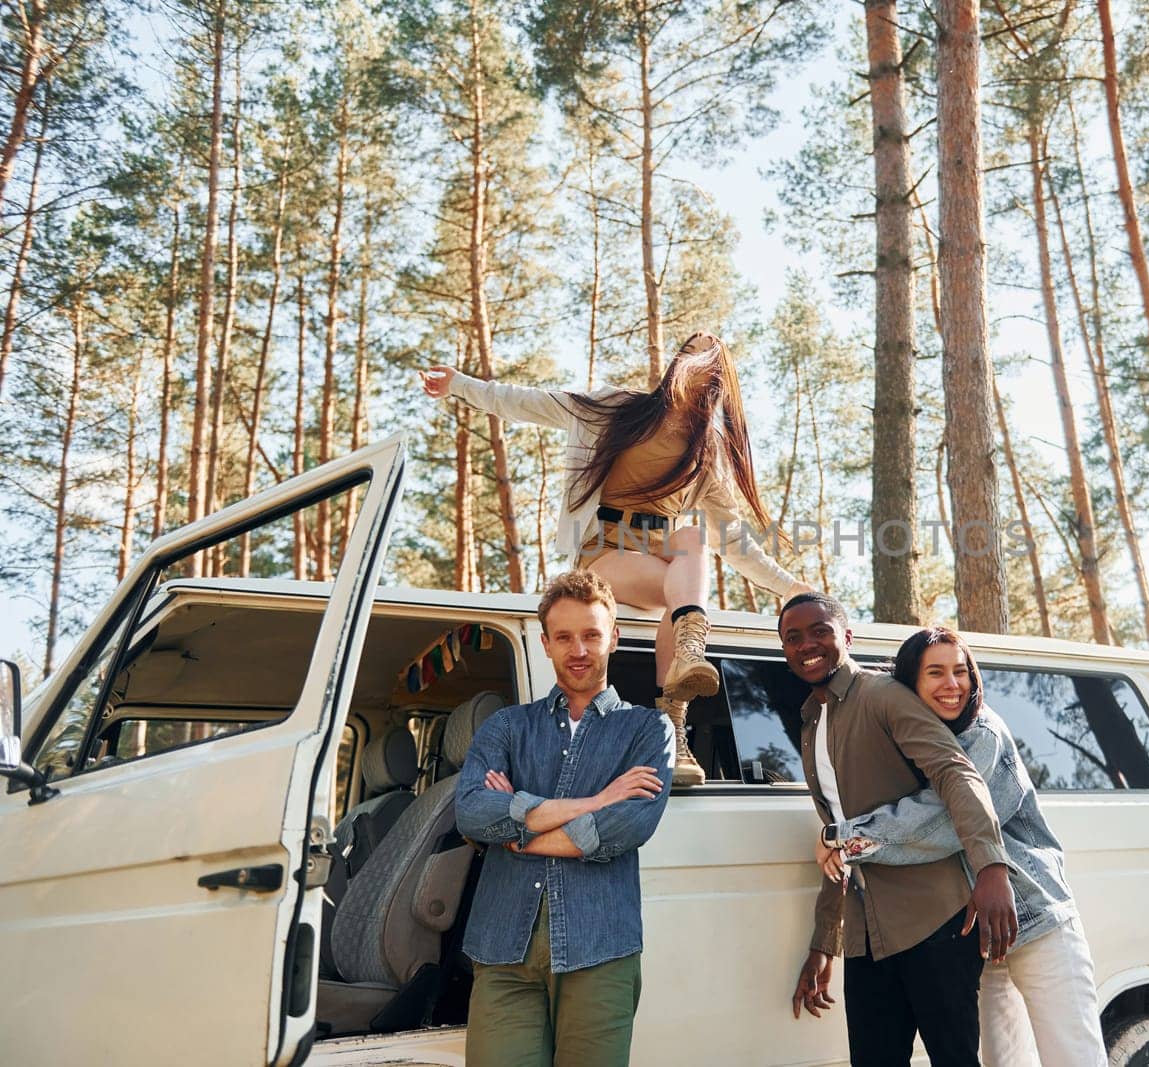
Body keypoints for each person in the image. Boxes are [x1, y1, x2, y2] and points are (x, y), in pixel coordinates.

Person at [422, 332, 810, 786]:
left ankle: (677, 716)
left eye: (707, 352)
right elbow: (527, 402)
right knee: (680, 590)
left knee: (694, 540)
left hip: (665, 555)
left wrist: (789, 588)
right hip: (605, 550)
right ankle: (681, 684)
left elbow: (735, 542)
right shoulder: (615, 409)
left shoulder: (709, 450)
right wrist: (459, 384)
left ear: (718, 377)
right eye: (688, 347)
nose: (694, 355)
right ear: (676, 362)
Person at [815, 627, 1108, 1067]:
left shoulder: (982, 734)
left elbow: (939, 820)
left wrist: (842, 839)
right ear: (909, 684)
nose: (953, 685)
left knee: (1074, 1057)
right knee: (1003, 1061)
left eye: (961, 671)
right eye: (935, 673)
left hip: (1035, 919)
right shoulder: (917, 739)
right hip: (980, 937)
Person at [781, 592, 1018, 1067]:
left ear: (846, 637)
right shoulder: (811, 721)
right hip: (868, 936)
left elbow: (956, 770)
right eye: (793, 637)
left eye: (820, 631)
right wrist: (824, 943)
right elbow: (839, 839)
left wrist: (991, 866)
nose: (807, 644)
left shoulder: (883, 695)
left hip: (935, 922)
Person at [454, 570, 675, 1067]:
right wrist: (596, 800)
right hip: (502, 950)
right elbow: (471, 812)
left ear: (613, 638)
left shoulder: (647, 728)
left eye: (592, 634)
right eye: (565, 637)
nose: (579, 649)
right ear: (546, 643)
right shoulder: (508, 726)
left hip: (600, 950)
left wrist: (515, 832)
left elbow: (625, 828)